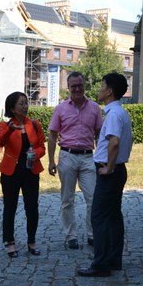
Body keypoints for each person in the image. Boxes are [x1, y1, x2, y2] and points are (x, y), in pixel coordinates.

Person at [77, 73, 132, 277]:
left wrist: (108, 167)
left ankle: (101, 264)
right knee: (113, 216)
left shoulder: (114, 114)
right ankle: (113, 259)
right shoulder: (119, 112)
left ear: (109, 91)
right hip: (117, 171)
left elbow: (114, 142)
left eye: (102, 86)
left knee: (99, 217)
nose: (99, 89)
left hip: (110, 172)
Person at [48, 72, 103, 249]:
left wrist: (101, 158)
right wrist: (51, 161)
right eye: (74, 86)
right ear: (68, 88)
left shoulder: (94, 108)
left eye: (80, 85)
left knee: (93, 198)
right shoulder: (61, 109)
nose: (77, 89)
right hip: (67, 156)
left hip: (88, 157)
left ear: (84, 85)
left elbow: (99, 135)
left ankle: (92, 234)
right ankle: (70, 235)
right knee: (67, 199)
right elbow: (52, 135)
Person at [0, 92, 46, 257]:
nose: (25, 106)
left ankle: (31, 242)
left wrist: (35, 154)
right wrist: (11, 129)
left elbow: (41, 147)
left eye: (26, 103)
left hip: (30, 171)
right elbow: (0, 142)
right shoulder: (5, 125)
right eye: (21, 104)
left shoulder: (35, 124)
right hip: (11, 172)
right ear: (12, 108)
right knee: (10, 207)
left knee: (32, 208)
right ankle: (10, 243)